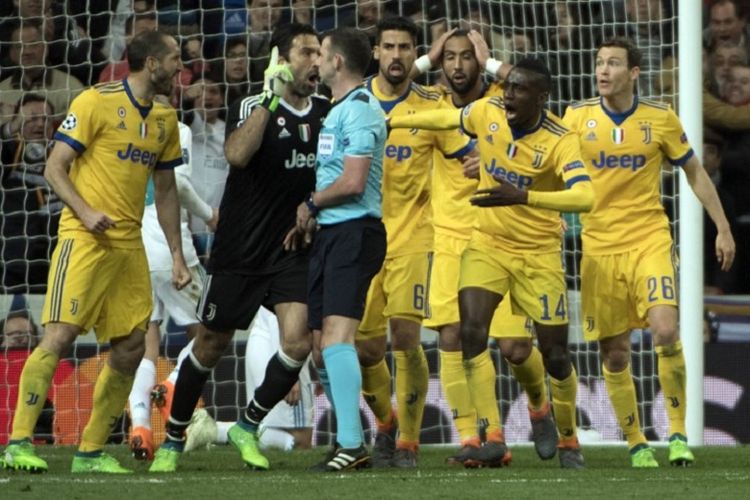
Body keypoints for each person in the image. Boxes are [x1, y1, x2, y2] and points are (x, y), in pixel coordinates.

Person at [388, 58, 595, 470]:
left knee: (551, 354)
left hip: (538, 253)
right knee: (471, 332)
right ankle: (490, 435)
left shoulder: (561, 139)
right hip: (486, 244)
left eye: (519, 89)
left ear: (542, 97)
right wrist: (393, 121)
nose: (509, 95)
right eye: (508, 86)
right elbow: (450, 117)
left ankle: (567, 436)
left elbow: (586, 198)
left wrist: (525, 197)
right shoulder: (489, 111)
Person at [0, 29, 190, 474]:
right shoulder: (94, 101)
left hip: (129, 245)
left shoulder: (163, 120)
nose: (180, 66)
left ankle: (89, 451)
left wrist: (178, 255)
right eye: (175, 58)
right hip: (83, 239)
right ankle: (18, 441)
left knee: (129, 348)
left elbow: (165, 192)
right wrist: (85, 212)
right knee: (61, 333)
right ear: (150, 63)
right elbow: (54, 168)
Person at [148, 23, 329, 473]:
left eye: (319, 52)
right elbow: (236, 155)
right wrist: (271, 97)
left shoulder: (327, 110)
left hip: (292, 247)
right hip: (241, 250)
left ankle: (248, 425)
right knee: (209, 345)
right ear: (281, 60)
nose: (316, 61)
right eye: (306, 52)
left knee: (298, 340)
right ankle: (173, 439)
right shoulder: (254, 103)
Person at [562, 37, 736, 467]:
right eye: (599, 62)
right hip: (599, 247)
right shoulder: (575, 118)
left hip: (648, 239)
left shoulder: (659, 118)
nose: (602, 70)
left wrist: (723, 226)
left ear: (634, 72)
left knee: (664, 329)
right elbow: (550, 168)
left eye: (613, 64)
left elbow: (694, 172)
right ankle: (637, 442)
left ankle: (677, 435)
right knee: (615, 352)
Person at [410, 28, 557, 467]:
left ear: (481, 63)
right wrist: (423, 59)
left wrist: (493, 62)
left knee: (513, 346)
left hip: (500, 234)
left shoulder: (503, 100)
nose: (457, 66)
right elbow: (387, 89)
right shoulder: (432, 103)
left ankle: (539, 404)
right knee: (452, 339)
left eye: (466, 57)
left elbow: (536, 82)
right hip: (451, 238)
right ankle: (480, 438)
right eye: (448, 58)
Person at [355, 17, 473, 469]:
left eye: (406, 47)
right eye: (389, 46)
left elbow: (467, 152)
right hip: (360, 239)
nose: (397, 55)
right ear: (377, 53)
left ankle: (407, 441)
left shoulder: (433, 104)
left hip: (414, 237)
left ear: (415, 53)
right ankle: (384, 422)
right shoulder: (354, 100)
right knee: (365, 348)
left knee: (405, 339)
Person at [295, 26, 387, 472]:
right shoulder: (338, 110)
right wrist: (313, 216)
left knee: (337, 337)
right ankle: (349, 438)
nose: (315, 61)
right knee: (318, 345)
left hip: (355, 231)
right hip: (331, 232)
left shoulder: (362, 112)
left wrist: (311, 203)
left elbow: (352, 183)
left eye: (321, 54)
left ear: (337, 62)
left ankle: (353, 442)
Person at [128, 101, 219, 461]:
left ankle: (140, 427)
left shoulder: (124, 132)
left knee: (146, 346)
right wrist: (210, 214)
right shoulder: (174, 128)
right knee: (211, 331)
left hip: (133, 250)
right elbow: (177, 183)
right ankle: (173, 385)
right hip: (169, 250)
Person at [0, 94, 59, 293]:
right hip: (13, 261)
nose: (40, 124)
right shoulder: (8, 152)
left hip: (57, 257)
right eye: (32, 118)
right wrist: (9, 129)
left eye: (46, 119)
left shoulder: (67, 155)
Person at [0, 20, 84, 126]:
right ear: (12, 54)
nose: (27, 52)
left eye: (34, 45)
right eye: (19, 46)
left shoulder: (71, 88)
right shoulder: (2, 92)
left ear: (46, 48)